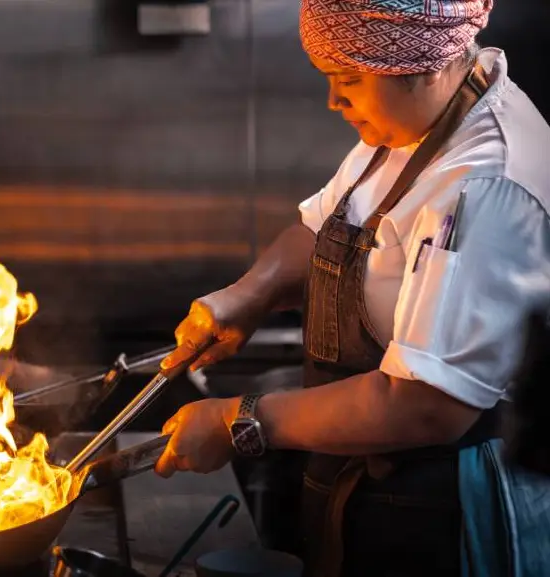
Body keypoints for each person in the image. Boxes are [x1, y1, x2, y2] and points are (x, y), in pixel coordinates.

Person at [152, 1, 550, 576]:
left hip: (446, 512)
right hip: (366, 481)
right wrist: (248, 295)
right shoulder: (413, 123)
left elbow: (427, 407)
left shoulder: (484, 184)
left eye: (348, 79)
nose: (334, 101)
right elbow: (325, 228)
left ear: (422, 65)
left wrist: (238, 421)